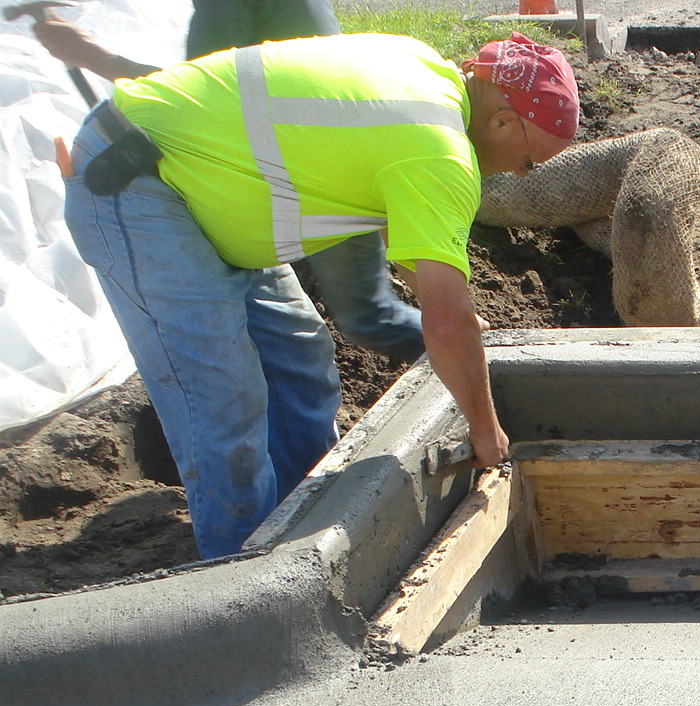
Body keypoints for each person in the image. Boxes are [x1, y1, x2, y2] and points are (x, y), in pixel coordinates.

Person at [61, 32, 578, 559]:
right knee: (224, 395)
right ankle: (241, 582)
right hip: (141, 183)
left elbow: (402, 222)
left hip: (209, 185)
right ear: (502, 121)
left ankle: (302, 529)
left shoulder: (424, 71)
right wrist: (486, 430)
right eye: (530, 161)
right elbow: (445, 324)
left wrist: (451, 310)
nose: (519, 173)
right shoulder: (441, 152)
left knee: (301, 353)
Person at [32, 1, 425, 365]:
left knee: (369, 318)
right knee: (364, 311)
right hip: (334, 154)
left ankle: (472, 356)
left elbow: (193, 97)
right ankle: (459, 334)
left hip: (318, 171)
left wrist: (91, 56)